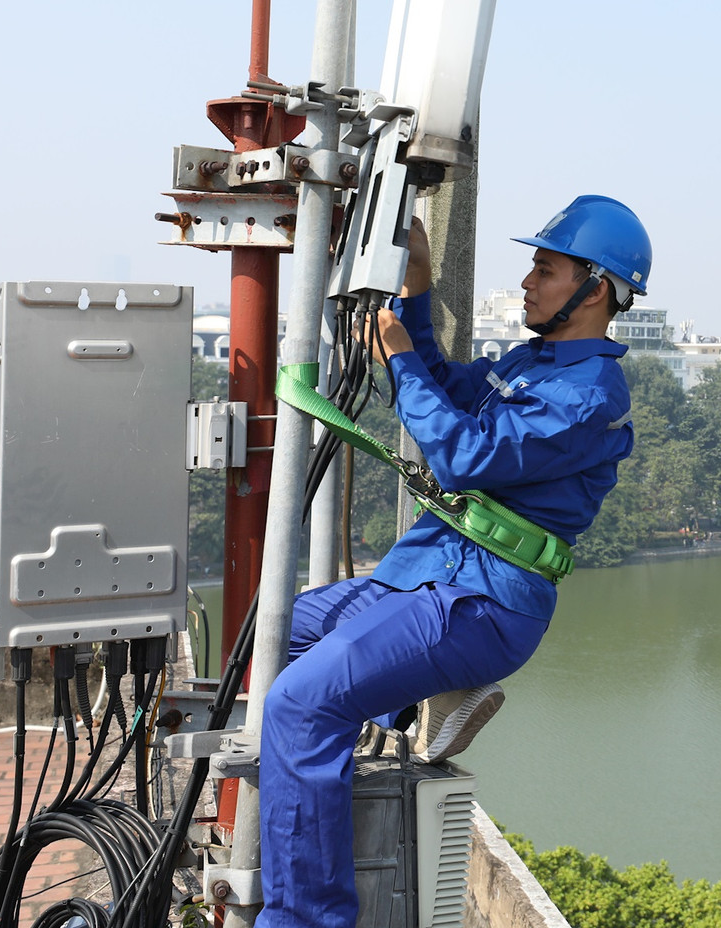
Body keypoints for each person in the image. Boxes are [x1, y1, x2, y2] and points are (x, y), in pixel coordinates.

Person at [256, 195, 652, 928]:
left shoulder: (590, 393)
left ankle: (305, 919)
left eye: (545, 267)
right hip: (428, 573)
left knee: (302, 702)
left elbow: (464, 455)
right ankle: (414, 699)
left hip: (483, 602)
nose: (529, 281)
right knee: (271, 639)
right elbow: (442, 386)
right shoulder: (536, 362)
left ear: (595, 287)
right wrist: (417, 291)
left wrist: (402, 361)